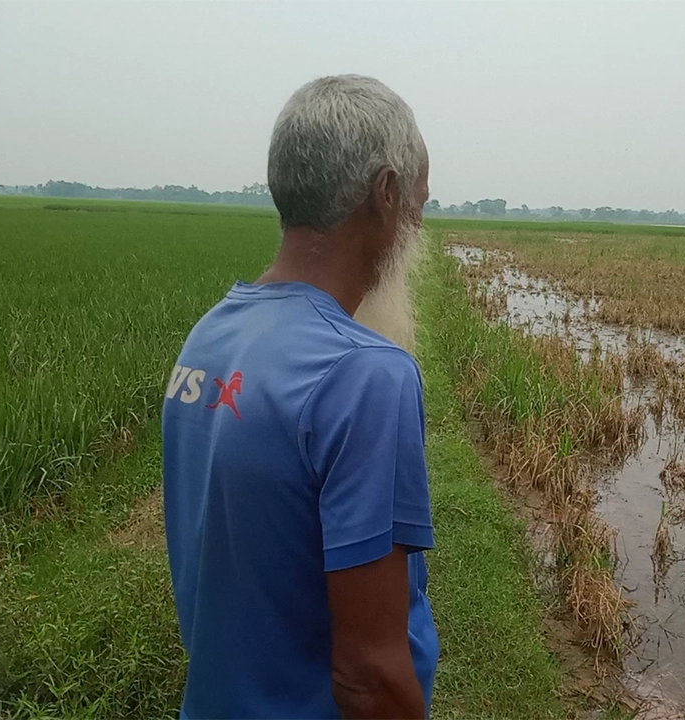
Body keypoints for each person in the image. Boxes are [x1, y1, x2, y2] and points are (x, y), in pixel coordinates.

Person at [162, 75, 436, 719]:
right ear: (387, 193)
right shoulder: (365, 374)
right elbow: (368, 675)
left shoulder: (210, 335)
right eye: (420, 203)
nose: (419, 223)